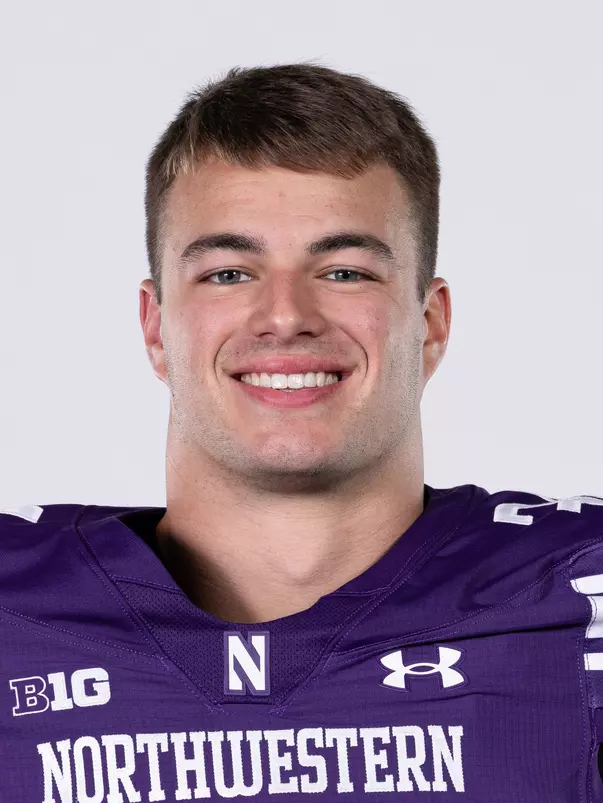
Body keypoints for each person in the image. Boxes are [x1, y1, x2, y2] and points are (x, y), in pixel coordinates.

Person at [1, 63, 601, 803]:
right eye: (228, 273)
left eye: (345, 271)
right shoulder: (14, 609)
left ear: (430, 322)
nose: (285, 314)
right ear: (156, 327)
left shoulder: (577, 600)